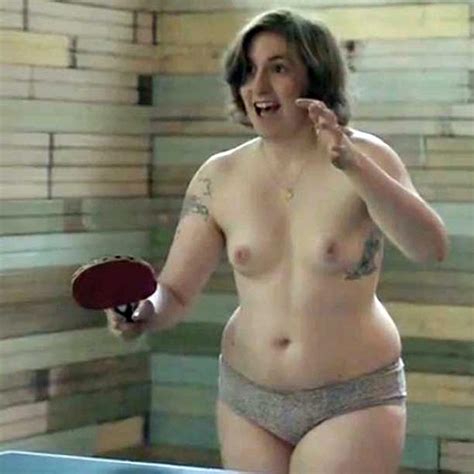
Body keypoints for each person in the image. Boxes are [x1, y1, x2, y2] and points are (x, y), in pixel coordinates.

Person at [106, 9, 449, 474]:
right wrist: (142, 311)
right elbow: (175, 292)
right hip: (248, 401)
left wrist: (353, 166)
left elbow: (430, 247)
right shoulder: (218, 176)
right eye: (248, 71)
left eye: (279, 68)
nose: (258, 86)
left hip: (352, 399)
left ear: (316, 77)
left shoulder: (367, 158)